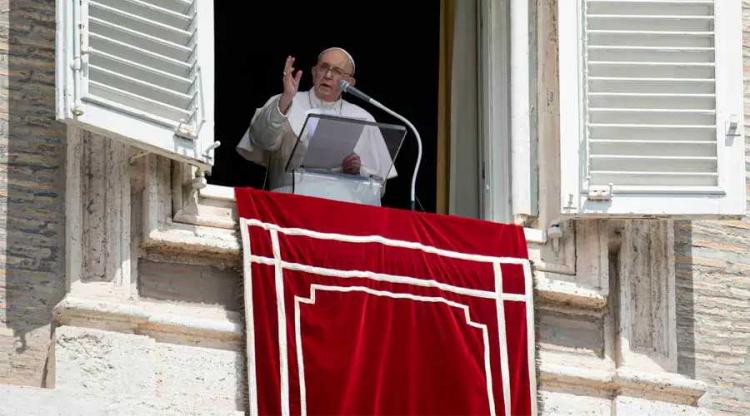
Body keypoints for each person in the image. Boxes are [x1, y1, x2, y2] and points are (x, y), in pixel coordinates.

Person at [236, 47, 396, 194]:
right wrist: (286, 99)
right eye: (324, 67)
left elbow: (378, 189)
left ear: (350, 82)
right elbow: (261, 140)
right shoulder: (285, 101)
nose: (328, 75)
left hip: (341, 210)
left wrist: (358, 172)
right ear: (314, 72)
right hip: (286, 205)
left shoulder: (364, 118)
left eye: (337, 71)